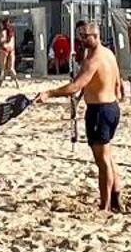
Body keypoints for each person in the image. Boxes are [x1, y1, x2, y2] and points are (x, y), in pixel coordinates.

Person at [37, 21, 125, 211]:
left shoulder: (94, 59)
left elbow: (75, 86)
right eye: (80, 36)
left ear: (96, 36)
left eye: (85, 36)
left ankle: (105, 205)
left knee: (102, 162)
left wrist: (49, 93)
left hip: (100, 111)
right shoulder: (108, 54)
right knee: (108, 155)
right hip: (112, 108)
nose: (82, 40)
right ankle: (116, 197)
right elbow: (118, 84)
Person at [0, 21, 18, 86]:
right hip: (11, 49)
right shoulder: (12, 33)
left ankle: (0, 83)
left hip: (4, 49)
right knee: (11, 68)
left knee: (3, 68)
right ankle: (17, 83)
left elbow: (1, 41)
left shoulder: (3, 32)